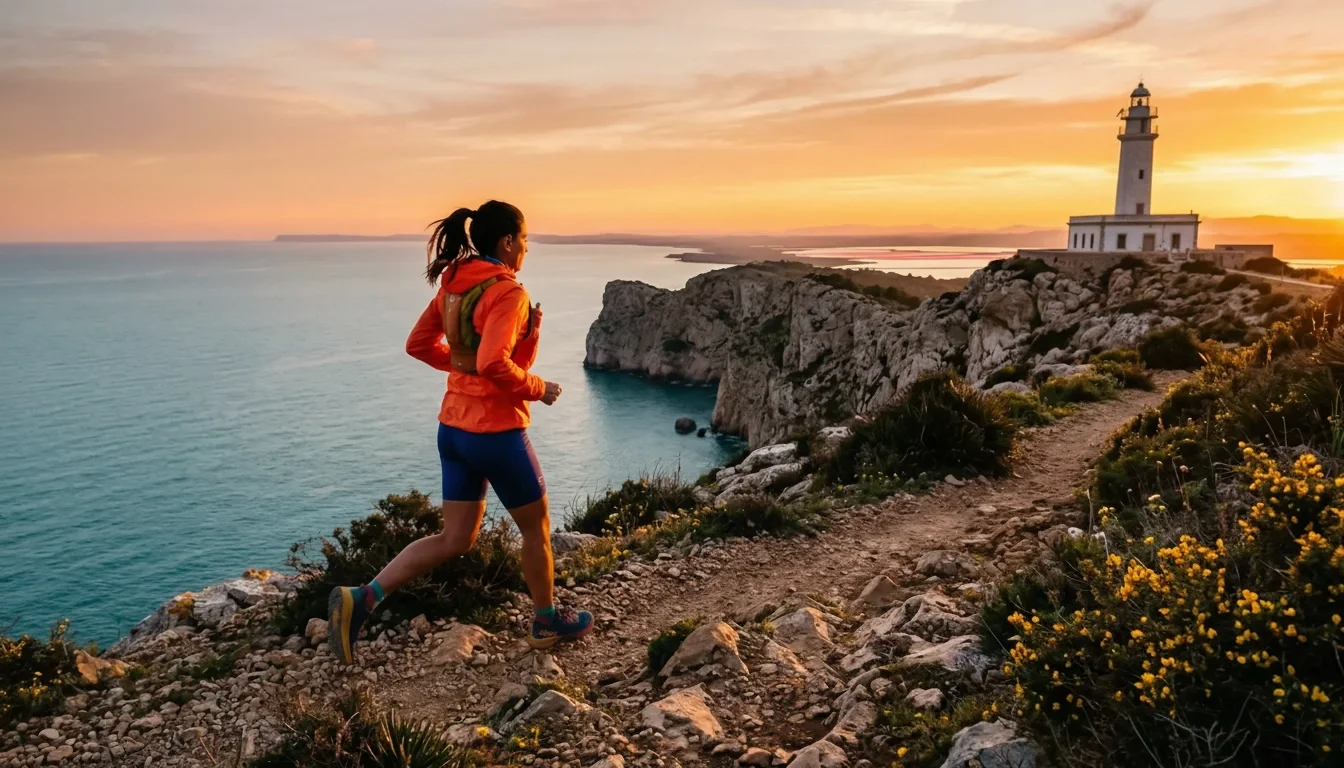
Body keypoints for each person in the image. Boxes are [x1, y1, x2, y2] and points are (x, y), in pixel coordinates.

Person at [327, 200, 593, 663]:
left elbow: (419, 345)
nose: (526, 251)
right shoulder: (508, 292)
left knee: (456, 539)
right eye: (525, 241)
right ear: (507, 242)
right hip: (496, 432)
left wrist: (465, 366)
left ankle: (362, 598)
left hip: (452, 430)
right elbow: (494, 362)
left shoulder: (454, 283)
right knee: (537, 531)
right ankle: (546, 619)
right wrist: (538, 388)